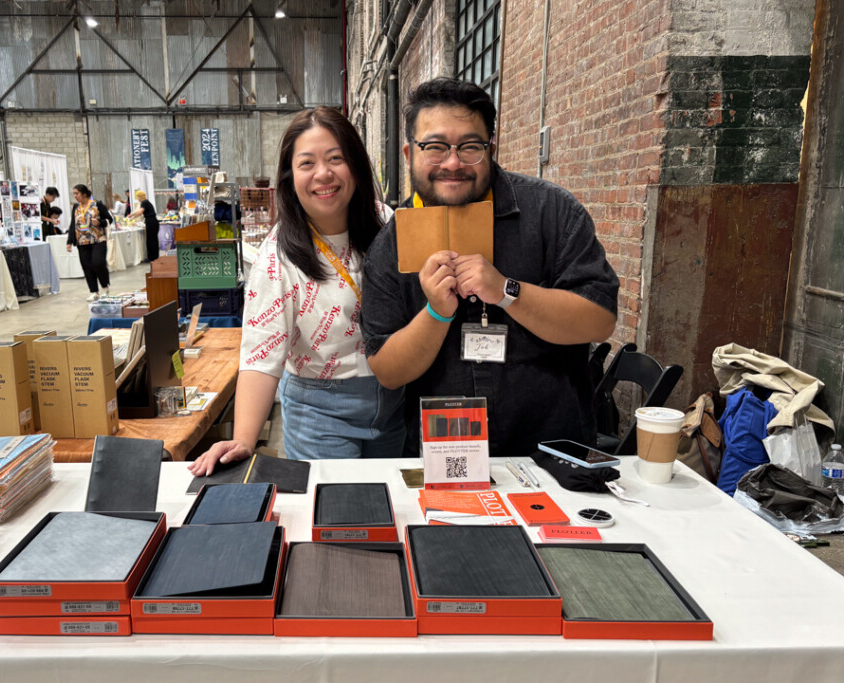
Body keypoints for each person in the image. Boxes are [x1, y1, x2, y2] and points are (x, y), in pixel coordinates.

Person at [361, 78, 619, 458]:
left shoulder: (552, 213)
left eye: (470, 147)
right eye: (434, 147)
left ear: (490, 149)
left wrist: (506, 291)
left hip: (552, 450)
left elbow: (599, 319)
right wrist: (435, 312)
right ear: (408, 153)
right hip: (446, 455)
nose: (452, 163)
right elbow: (387, 369)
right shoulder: (391, 245)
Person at [189, 107, 404, 476]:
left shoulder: (387, 222)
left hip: (394, 400)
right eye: (307, 163)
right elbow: (261, 352)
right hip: (321, 410)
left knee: (390, 510)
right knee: (338, 519)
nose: (323, 174)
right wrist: (244, 438)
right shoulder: (278, 253)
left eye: (336, 158)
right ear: (291, 176)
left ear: (355, 165)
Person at [66, 184, 112, 302]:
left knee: (98, 262)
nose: (75, 196)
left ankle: (105, 286)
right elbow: (73, 225)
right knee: (87, 266)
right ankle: (94, 291)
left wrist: (99, 222)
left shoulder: (97, 204)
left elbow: (109, 219)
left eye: (77, 193)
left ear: (84, 194)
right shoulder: (76, 207)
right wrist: (69, 241)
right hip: (82, 241)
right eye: (74, 194)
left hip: (97, 239)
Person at [127, 189, 160, 261]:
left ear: (140, 197)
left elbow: (140, 212)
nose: (137, 198)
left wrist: (131, 216)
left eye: (138, 197)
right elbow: (139, 211)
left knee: (150, 240)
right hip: (153, 221)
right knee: (153, 239)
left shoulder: (144, 202)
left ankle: (151, 258)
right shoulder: (146, 202)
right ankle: (155, 257)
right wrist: (132, 216)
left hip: (150, 222)